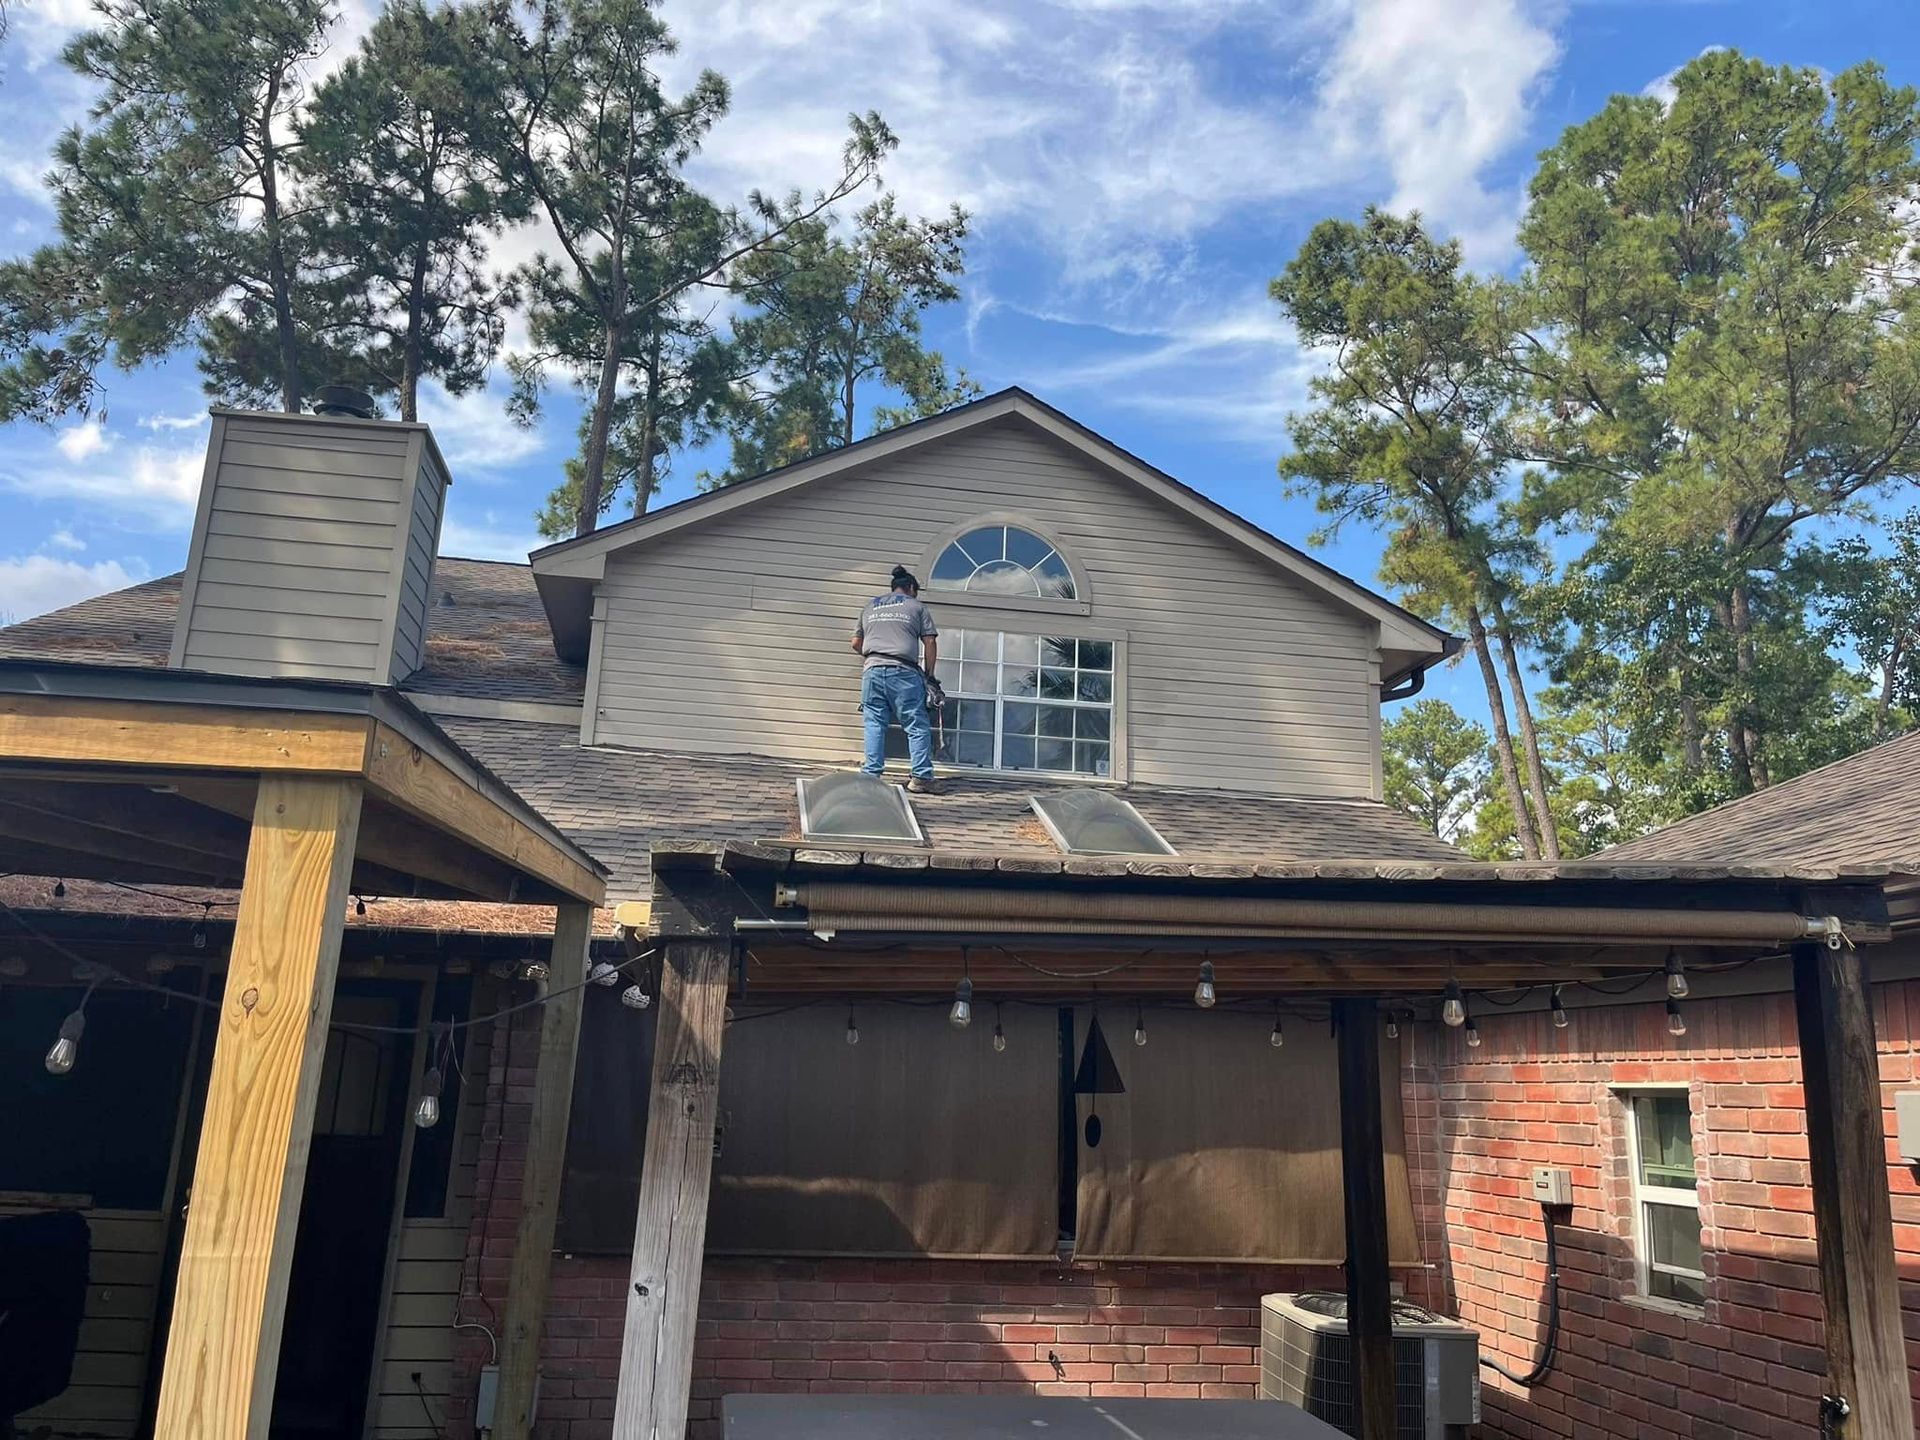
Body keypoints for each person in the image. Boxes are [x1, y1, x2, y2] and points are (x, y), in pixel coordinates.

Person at [852, 564, 941, 792]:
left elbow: (856, 643)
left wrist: (876, 653)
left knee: (874, 723)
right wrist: (929, 676)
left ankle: (871, 775)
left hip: (872, 670)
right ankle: (921, 777)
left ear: (893, 588)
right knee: (915, 723)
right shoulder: (916, 606)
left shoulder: (870, 606)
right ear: (911, 588)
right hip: (903, 672)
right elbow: (929, 641)